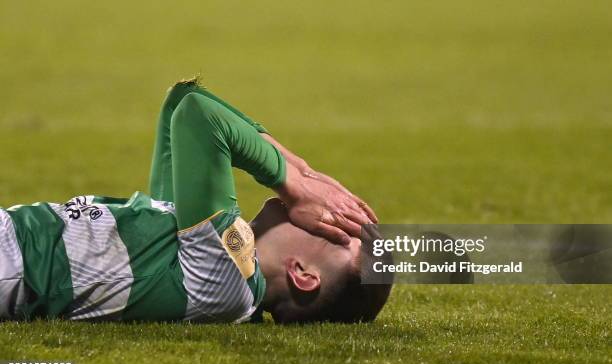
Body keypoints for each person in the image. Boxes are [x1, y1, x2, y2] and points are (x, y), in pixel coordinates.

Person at [0, 78, 392, 323]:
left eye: (334, 227)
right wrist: (303, 170)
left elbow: (198, 117)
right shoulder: (196, 249)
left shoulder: (229, 281)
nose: (322, 210)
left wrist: (294, 183)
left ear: (303, 275)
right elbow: (183, 98)